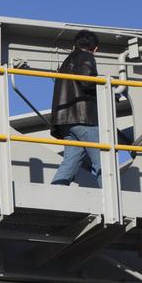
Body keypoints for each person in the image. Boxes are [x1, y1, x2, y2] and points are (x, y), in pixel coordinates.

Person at [50, 29, 103, 187]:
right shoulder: (86, 57)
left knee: (70, 164)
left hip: (65, 122)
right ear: (95, 48)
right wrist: (109, 91)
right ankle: (110, 203)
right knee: (104, 162)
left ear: (75, 44)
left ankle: (54, 197)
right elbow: (87, 82)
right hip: (84, 118)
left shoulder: (66, 62)